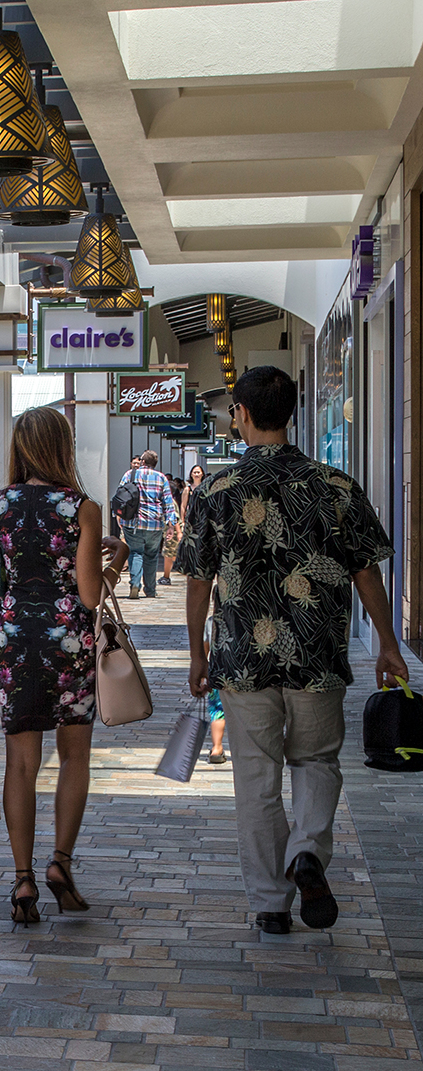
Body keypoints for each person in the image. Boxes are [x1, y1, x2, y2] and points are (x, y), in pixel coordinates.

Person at [183, 364, 405, 935]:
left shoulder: (216, 491)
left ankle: (270, 904)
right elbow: (366, 573)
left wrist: (197, 655)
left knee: (255, 780)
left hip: (242, 659)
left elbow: (197, 580)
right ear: (292, 413)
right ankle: (306, 851)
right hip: (318, 656)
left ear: (244, 414)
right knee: (316, 761)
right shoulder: (334, 485)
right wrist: (387, 643)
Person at [0, 406, 105, 925]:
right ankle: (60, 864)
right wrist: (109, 562)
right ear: (62, 448)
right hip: (68, 643)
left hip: (12, 642)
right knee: (74, 756)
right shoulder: (82, 509)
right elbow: (90, 594)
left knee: (21, 763)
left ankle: (23, 878)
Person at [117, 449, 178, 599]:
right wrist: (171, 524)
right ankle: (150, 589)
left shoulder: (130, 474)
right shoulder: (161, 478)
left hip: (133, 522)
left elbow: (120, 495)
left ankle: (135, 584)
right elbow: (168, 502)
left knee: (135, 552)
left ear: (142, 462)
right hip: (155, 524)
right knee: (151, 556)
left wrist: (118, 515)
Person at [166, 465, 205, 585]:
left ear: (202, 474)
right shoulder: (187, 489)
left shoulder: (206, 487)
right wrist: (182, 521)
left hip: (203, 520)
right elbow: (183, 506)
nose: (197, 474)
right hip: (190, 520)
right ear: (191, 474)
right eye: (195, 472)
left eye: (198, 472)